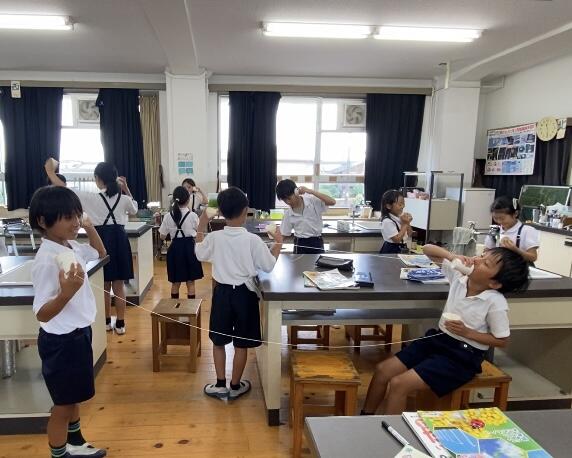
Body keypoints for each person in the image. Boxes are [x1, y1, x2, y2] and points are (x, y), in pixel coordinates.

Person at [361, 243, 529, 415]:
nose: (476, 260)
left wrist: (467, 332)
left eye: (485, 263)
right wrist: (452, 256)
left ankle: (392, 430)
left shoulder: (495, 302)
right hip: (439, 340)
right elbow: (427, 249)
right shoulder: (459, 277)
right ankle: (365, 417)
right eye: (481, 256)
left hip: (463, 356)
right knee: (383, 370)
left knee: (399, 383)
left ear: (495, 283)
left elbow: (502, 340)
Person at [29, 186, 107, 458]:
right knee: (62, 405)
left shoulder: (70, 246)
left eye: (77, 215)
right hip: (60, 342)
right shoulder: (46, 260)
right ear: (43, 221)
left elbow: (100, 252)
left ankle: (75, 442)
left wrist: (90, 227)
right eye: (67, 217)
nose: (75, 222)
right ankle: (59, 453)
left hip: (78, 334)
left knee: (73, 397)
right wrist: (65, 294)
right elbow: (42, 313)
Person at [195, 187, 283, 400]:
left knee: (218, 340)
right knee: (241, 343)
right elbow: (268, 265)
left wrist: (202, 223)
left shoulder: (215, 237)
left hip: (222, 293)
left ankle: (220, 384)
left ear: (220, 212)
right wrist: (279, 242)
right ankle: (235, 386)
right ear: (245, 211)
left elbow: (199, 253)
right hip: (245, 294)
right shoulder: (253, 240)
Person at [46, 159, 138, 335]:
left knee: (104, 285)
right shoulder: (124, 199)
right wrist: (126, 189)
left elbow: (65, 189)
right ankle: (120, 323)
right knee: (119, 285)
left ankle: (106, 321)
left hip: (101, 239)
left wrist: (50, 173)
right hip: (120, 239)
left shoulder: (91, 198)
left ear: (98, 179)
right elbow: (134, 209)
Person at [159, 186, 204, 298]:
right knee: (190, 282)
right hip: (190, 249)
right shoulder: (193, 216)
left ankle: (174, 307)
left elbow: (162, 236)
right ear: (188, 200)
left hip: (175, 250)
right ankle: (191, 308)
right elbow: (200, 234)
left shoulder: (168, 216)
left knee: (175, 282)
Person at [275, 179, 335, 254]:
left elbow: (332, 202)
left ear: (296, 192)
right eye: (284, 200)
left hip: (317, 241)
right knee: (299, 262)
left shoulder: (312, 201)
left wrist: (310, 191)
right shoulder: (288, 214)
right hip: (300, 243)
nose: (288, 202)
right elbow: (284, 234)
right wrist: (274, 245)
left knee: (318, 261)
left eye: (289, 198)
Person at [485, 196, 539, 264]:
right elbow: (487, 250)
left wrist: (515, 250)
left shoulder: (527, 231)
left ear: (515, 214)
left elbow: (533, 257)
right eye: (495, 218)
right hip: (500, 268)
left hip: (519, 269)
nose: (499, 221)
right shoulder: (495, 231)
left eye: (502, 218)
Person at [379, 189, 412, 254]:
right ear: (388, 206)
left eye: (403, 204)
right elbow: (397, 239)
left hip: (402, 247)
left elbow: (409, 233)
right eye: (400, 204)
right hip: (391, 249)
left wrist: (408, 222)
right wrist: (405, 224)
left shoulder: (400, 217)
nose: (403, 207)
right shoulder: (387, 221)